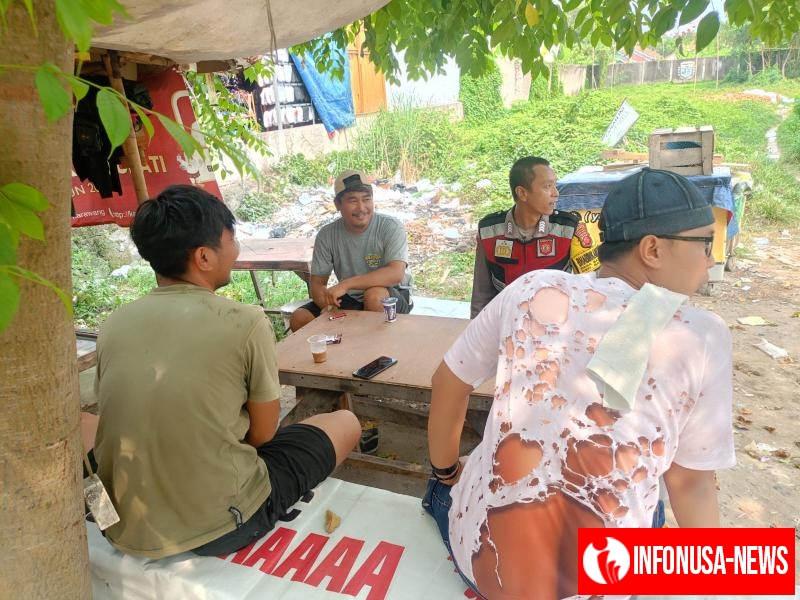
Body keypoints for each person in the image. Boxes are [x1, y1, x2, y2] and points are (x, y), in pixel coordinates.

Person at [425, 168, 735, 599]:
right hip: (599, 582)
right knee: (659, 501)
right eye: (705, 243)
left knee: (453, 482)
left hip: (486, 565)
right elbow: (692, 485)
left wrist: (446, 472)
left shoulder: (531, 288)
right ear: (652, 249)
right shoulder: (701, 335)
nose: (711, 258)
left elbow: (447, 381)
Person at [94, 185, 361, 559]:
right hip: (220, 524)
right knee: (345, 422)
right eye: (232, 238)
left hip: (122, 527)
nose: (236, 249)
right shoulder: (245, 321)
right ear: (203, 256)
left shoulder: (114, 322)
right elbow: (263, 435)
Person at [289, 169, 412, 331]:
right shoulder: (327, 235)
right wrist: (327, 306)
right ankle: (337, 353)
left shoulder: (390, 227)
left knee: (373, 296)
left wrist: (347, 284)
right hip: (350, 299)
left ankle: (381, 352)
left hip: (392, 295)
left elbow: (396, 274)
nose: (361, 208)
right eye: (352, 200)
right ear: (337, 204)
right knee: (300, 318)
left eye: (366, 199)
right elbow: (318, 284)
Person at [470, 156, 581, 319]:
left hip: (554, 326)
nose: (556, 194)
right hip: (507, 324)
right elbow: (481, 293)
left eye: (555, 185)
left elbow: (585, 289)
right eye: (547, 186)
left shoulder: (569, 228)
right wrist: (475, 330)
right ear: (522, 193)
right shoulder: (490, 230)